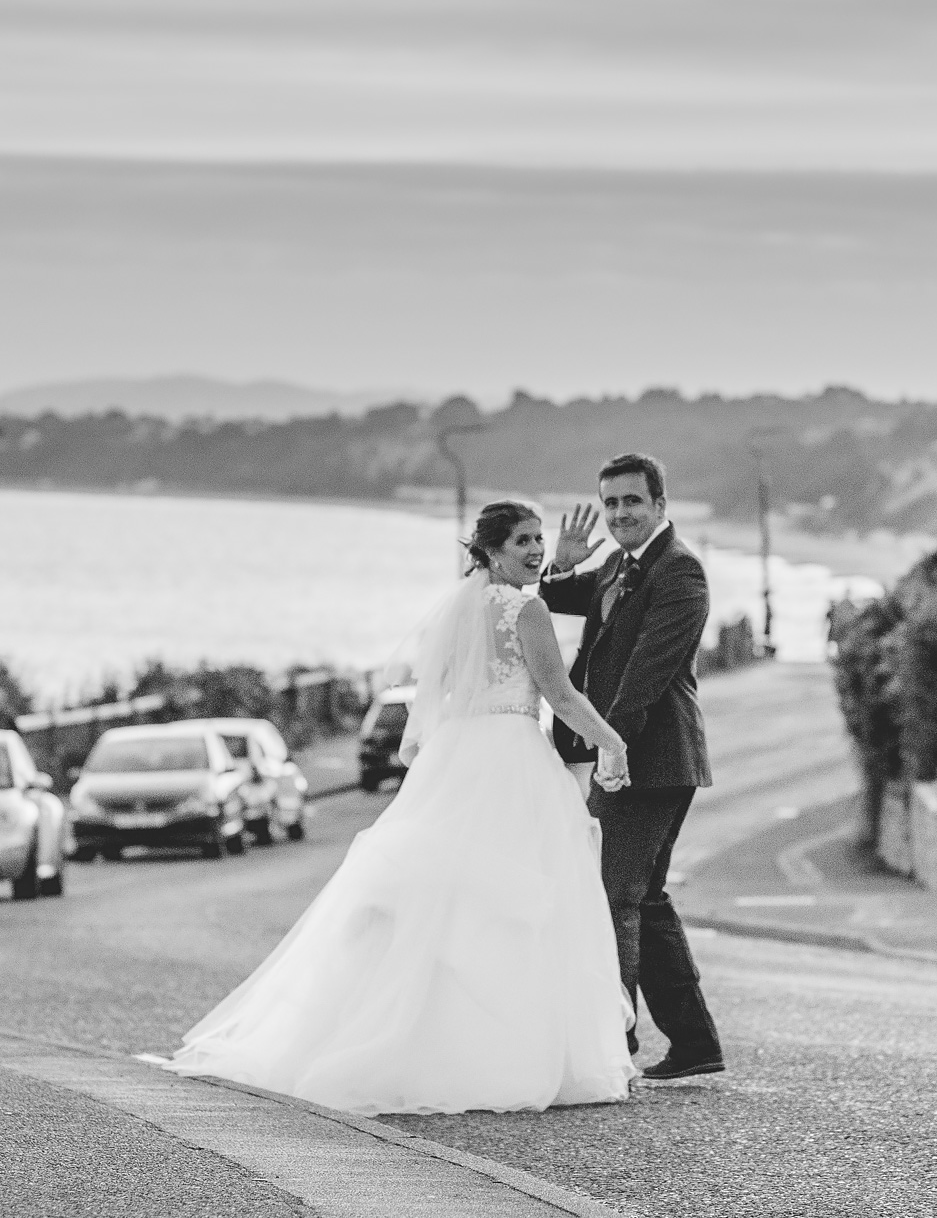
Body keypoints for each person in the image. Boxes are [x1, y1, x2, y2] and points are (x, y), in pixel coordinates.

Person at [167, 501, 635, 1116]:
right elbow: (561, 694)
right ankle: (495, 1052)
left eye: (538, 539)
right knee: (512, 900)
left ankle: (424, 1042)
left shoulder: (461, 607)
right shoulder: (530, 609)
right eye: (523, 540)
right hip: (511, 758)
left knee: (449, 899)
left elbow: (437, 696)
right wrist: (612, 741)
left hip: (458, 755)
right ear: (492, 550)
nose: (536, 550)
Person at [541, 452, 723, 1082]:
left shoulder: (680, 574)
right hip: (628, 751)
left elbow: (647, 674)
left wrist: (609, 748)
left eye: (631, 502)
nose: (620, 513)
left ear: (660, 505)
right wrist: (560, 565)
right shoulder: (618, 565)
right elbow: (556, 598)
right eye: (610, 502)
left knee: (608, 894)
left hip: (653, 756)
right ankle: (695, 1044)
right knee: (641, 898)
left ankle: (611, 1044)